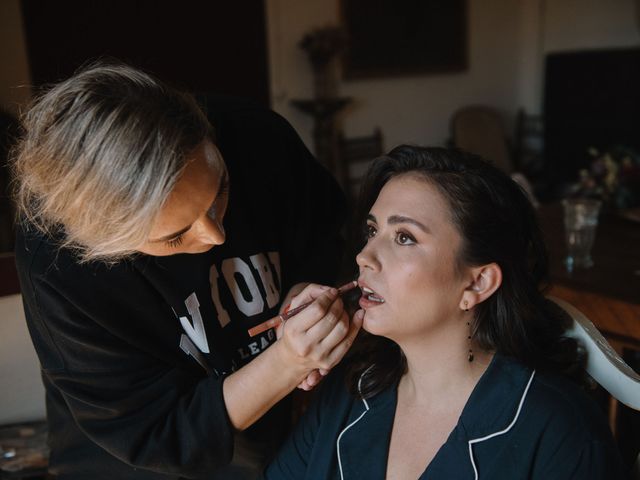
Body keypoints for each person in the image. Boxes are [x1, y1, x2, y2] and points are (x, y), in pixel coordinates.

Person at [11, 62, 362, 480]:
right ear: (105, 243)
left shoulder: (257, 137)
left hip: (269, 442)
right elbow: (164, 432)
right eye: (175, 236)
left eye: (221, 190)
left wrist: (306, 288)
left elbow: (331, 235)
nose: (215, 234)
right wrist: (286, 363)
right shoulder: (58, 263)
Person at [262, 145, 627, 479]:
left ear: (478, 283)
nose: (364, 256)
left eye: (404, 237)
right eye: (372, 231)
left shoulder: (560, 433)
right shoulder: (349, 392)